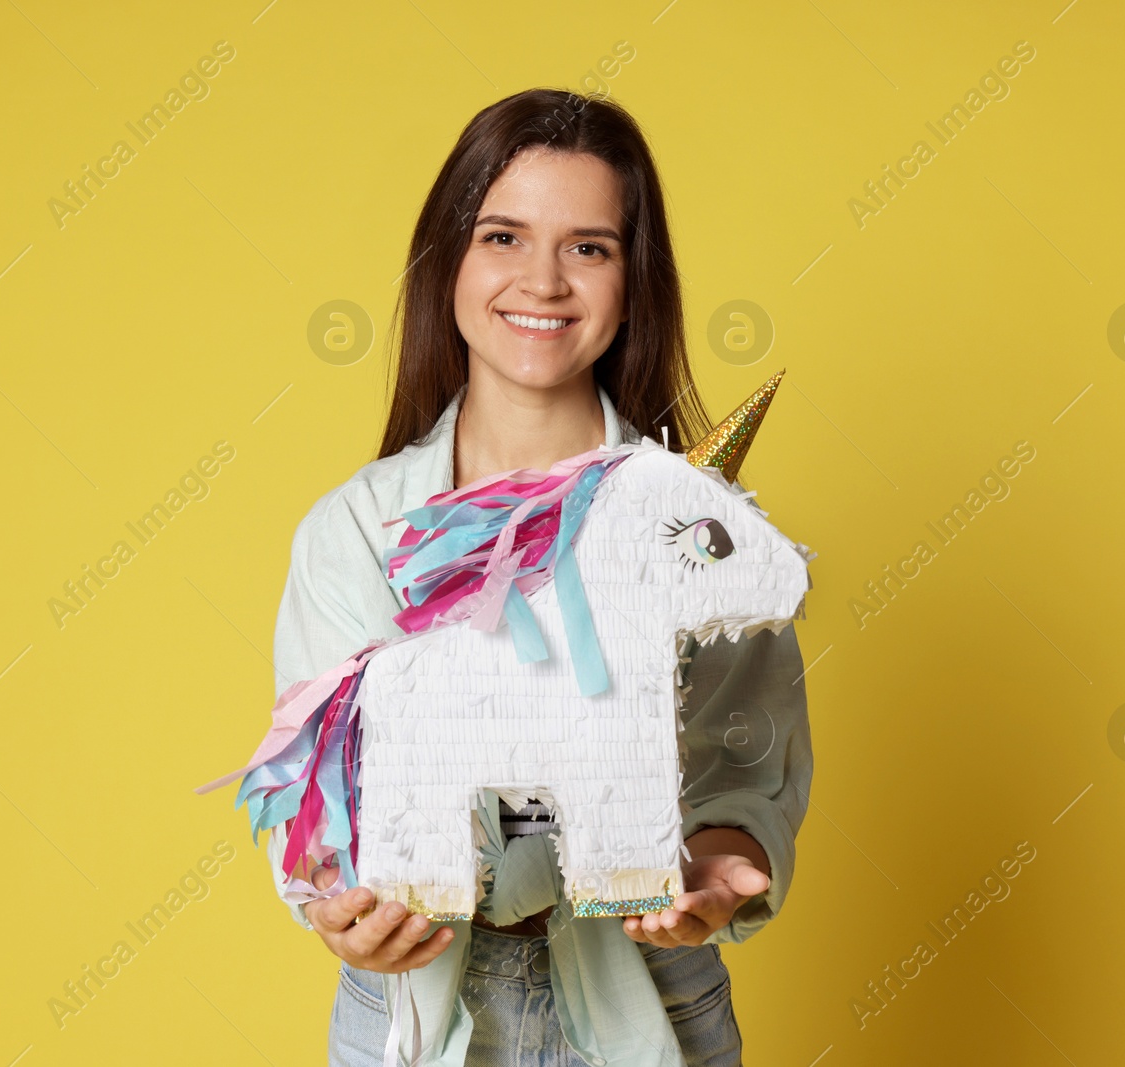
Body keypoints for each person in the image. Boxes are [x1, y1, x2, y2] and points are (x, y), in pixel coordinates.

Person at [269, 88, 812, 1067]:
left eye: (588, 246)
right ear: (451, 263)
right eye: (504, 236)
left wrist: (724, 865)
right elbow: (322, 796)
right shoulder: (353, 529)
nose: (544, 281)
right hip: (417, 1014)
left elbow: (746, 763)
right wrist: (338, 897)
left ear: (632, 280)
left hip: (652, 1000)